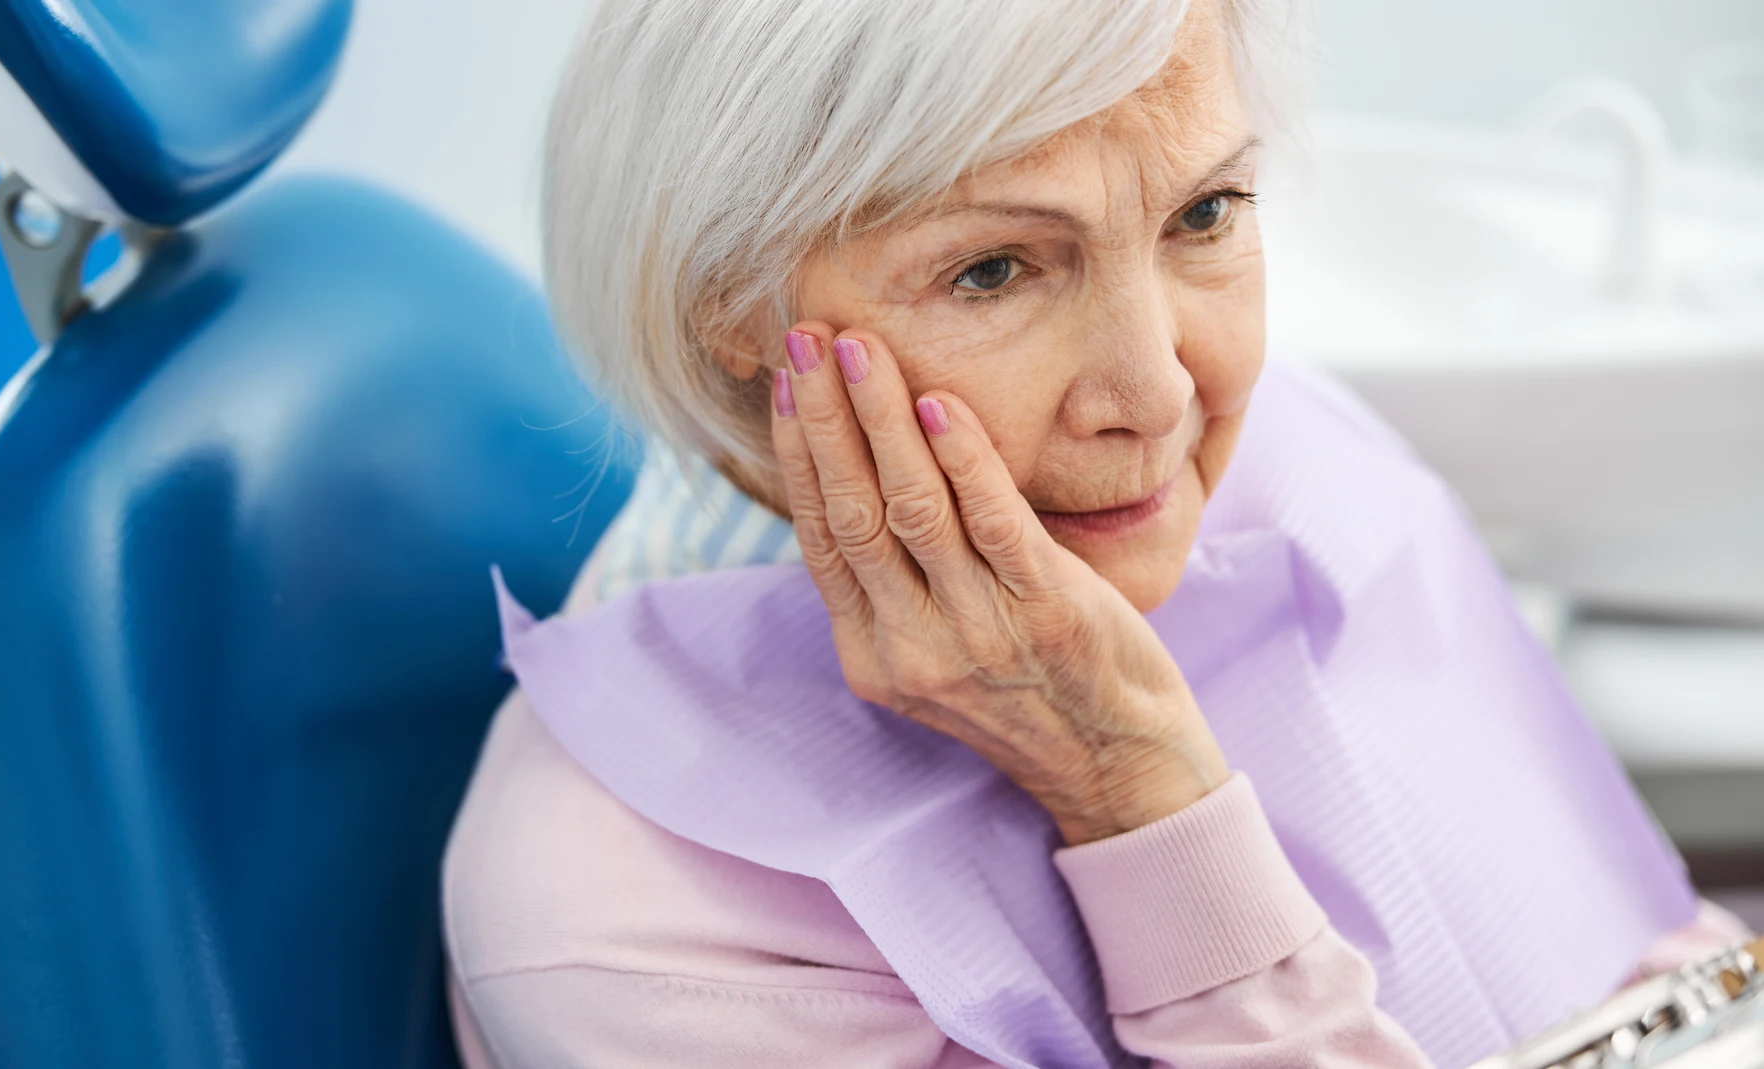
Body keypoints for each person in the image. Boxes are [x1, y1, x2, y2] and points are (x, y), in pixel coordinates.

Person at [442, 0, 1750, 1065]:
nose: (1158, 395)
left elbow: (1624, 946)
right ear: (729, 305)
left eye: (1204, 216)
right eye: (996, 269)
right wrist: (1137, 795)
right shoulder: (634, 918)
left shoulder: (1302, 447)